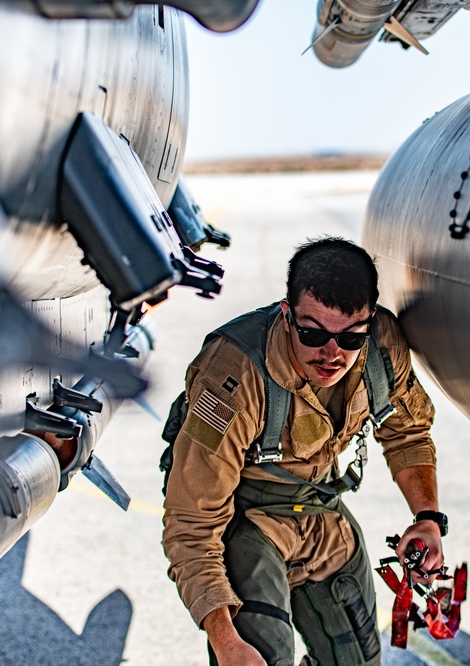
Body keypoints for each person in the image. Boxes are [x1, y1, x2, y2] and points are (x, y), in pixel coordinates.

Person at [162, 236, 446, 665]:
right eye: (313, 333)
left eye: (351, 338)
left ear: (369, 322)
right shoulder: (233, 375)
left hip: (320, 513)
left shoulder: (382, 348)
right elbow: (191, 524)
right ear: (287, 315)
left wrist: (427, 519)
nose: (332, 354)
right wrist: (226, 642)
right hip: (247, 521)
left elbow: (407, 433)